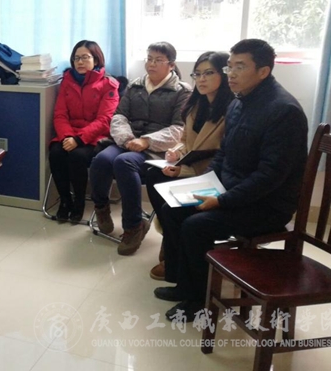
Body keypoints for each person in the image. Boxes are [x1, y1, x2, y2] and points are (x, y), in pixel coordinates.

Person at [153, 39, 308, 319]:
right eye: (229, 67)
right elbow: (224, 154)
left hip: (266, 205)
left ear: (263, 71)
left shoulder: (284, 111)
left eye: (240, 67)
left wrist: (222, 200)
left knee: (196, 226)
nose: (231, 74)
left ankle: (199, 300)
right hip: (233, 191)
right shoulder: (238, 103)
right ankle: (184, 285)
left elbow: (270, 176)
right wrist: (204, 184)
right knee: (171, 208)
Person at [89, 41, 191, 255]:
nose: (151, 64)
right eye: (149, 59)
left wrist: (146, 141)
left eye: (158, 60)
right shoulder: (135, 86)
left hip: (158, 148)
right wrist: (128, 139)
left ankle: (134, 225)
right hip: (128, 141)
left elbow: (179, 129)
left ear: (171, 65)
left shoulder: (181, 91)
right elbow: (119, 116)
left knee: (123, 162)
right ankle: (101, 208)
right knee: (101, 160)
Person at [144, 51, 234, 280]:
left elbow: (221, 156)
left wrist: (182, 169)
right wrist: (176, 153)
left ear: (224, 74)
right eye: (197, 74)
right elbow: (186, 141)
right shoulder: (196, 104)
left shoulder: (232, 109)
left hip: (211, 174)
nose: (201, 79)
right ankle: (172, 240)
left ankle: (175, 250)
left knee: (166, 190)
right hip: (191, 168)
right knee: (153, 175)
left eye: (209, 73)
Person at [49, 40, 119, 222]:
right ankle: (65, 200)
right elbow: (60, 114)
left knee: (77, 156)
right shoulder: (66, 81)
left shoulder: (108, 84)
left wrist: (79, 139)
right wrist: (67, 136)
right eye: (76, 58)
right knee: (56, 152)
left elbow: (105, 120)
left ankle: (79, 202)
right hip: (69, 134)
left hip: (96, 137)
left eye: (85, 58)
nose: (80, 62)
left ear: (96, 60)